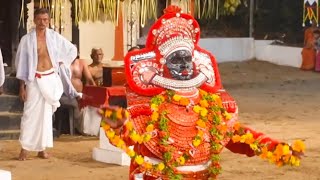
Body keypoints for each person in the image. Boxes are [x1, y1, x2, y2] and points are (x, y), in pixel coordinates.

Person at [100, 6, 304, 179]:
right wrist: (119, 126)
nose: (184, 65)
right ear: (162, 65)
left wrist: (276, 149)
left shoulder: (209, 104)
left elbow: (240, 136)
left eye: (187, 59)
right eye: (176, 60)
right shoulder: (150, 104)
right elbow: (133, 137)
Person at [15, 8, 77, 160]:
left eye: (45, 20)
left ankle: (42, 148)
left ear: (49, 21)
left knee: (46, 116)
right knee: (29, 114)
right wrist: (22, 87)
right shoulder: (26, 40)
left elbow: (71, 50)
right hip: (34, 79)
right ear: (34, 20)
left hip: (50, 78)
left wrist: (61, 62)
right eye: (40, 20)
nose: (42, 23)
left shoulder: (55, 37)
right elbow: (21, 64)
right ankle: (25, 147)